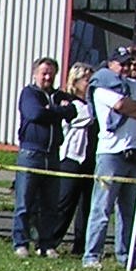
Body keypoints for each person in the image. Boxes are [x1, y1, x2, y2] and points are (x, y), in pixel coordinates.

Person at [84, 45, 136, 266]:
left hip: (135, 153)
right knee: (102, 208)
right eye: (121, 64)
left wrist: (130, 108)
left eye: (128, 64)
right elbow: (120, 104)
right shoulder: (101, 87)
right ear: (110, 64)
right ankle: (92, 255)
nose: (125, 68)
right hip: (111, 154)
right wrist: (133, 107)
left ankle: (126, 255)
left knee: (129, 210)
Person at [11, 58, 66, 256]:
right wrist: (58, 112)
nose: (48, 77)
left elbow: (73, 111)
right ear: (35, 74)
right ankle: (21, 243)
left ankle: (46, 244)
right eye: (44, 73)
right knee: (25, 203)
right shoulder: (29, 93)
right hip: (31, 154)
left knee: (50, 204)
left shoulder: (58, 95)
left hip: (53, 155)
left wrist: (54, 110)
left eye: (51, 73)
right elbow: (35, 114)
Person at [52, 60, 97, 255]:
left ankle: (81, 244)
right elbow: (86, 116)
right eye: (86, 80)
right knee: (65, 202)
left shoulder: (94, 102)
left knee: (87, 204)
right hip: (71, 157)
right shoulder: (71, 103)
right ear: (75, 81)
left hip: (91, 158)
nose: (90, 84)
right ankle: (50, 241)